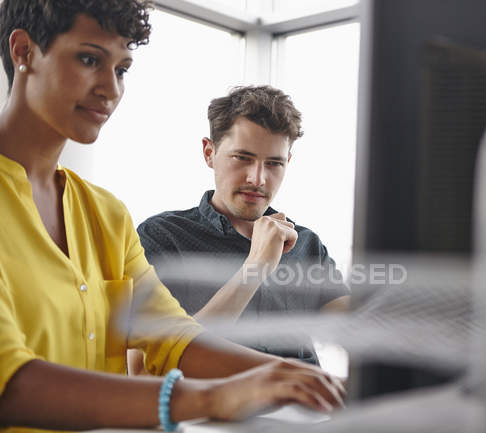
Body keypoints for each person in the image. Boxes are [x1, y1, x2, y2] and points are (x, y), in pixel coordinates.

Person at [0, 1, 344, 432]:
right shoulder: (160, 233)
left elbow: (174, 338)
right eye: (90, 60)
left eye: (122, 69)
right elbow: (10, 385)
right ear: (23, 51)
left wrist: (295, 378)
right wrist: (221, 394)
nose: (111, 89)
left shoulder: (106, 215)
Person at [134, 86, 350, 364]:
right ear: (209, 153)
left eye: (274, 163)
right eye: (242, 158)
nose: (258, 178)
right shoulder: (162, 237)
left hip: (303, 406)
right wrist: (255, 268)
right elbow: (143, 368)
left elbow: (356, 333)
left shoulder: (307, 244)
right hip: (214, 406)